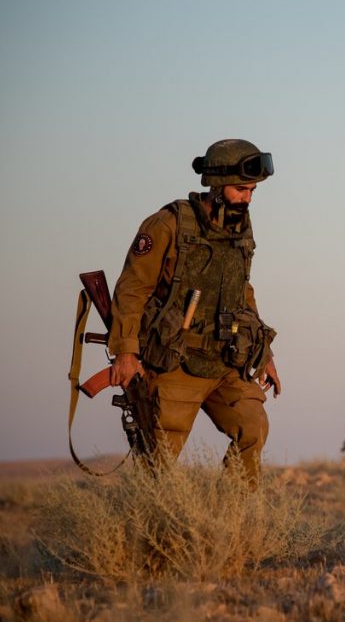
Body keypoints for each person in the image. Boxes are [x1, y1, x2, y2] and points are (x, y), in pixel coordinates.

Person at [107, 139, 281, 482]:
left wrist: (265, 354)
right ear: (216, 186)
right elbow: (132, 288)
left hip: (226, 360)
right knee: (159, 468)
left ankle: (230, 521)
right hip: (175, 360)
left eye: (252, 191)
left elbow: (242, 291)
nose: (248, 198)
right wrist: (126, 351)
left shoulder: (240, 230)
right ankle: (154, 532)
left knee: (253, 428)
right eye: (241, 189)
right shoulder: (167, 224)